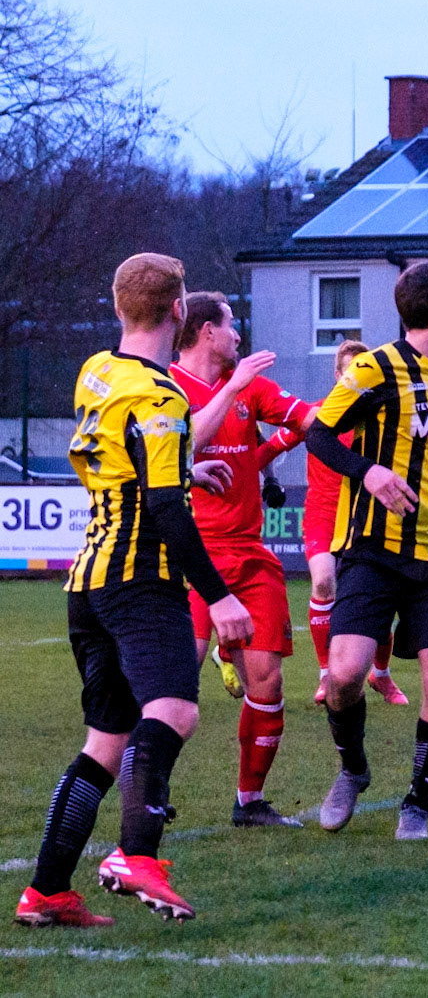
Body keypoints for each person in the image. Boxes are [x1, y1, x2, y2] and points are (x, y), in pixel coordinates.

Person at [15, 253, 254, 927]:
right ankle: (135, 853)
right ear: (180, 312)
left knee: (106, 740)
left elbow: (133, 466)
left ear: (119, 309)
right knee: (175, 711)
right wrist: (223, 596)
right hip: (137, 580)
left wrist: (181, 465)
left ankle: (46, 891)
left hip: (85, 581)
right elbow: (165, 511)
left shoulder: (96, 371)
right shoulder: (163, 397)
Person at [305, 263, 428, 841]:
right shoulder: (374, 368)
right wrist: (366, 472)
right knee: (344, 675)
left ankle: (417, 801)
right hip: (372, 550)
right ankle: (353, 770)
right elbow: (318, 433)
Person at [169, 292, 318, 829]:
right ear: (207, 331)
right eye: (232, 325)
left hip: (250, 557)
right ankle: (147, 801)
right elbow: (182, 445)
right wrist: (232, 388)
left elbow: (306, 417)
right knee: (174, 693)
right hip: (186, 557)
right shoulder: (166, 387)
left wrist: (352, 404)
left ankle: (249, 802)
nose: (238, 335)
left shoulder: (250, 385)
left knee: (268, 681)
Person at [261, 340, 409, 707]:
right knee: (324, 581)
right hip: (324, 516)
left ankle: (381, 676)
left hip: (365, 516)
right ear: (338, 375)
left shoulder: (380, 418)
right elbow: (267, 450)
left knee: (379, 601)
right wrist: (240, 475)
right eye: (349, 370)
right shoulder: (316, 415)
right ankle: (327, 676)